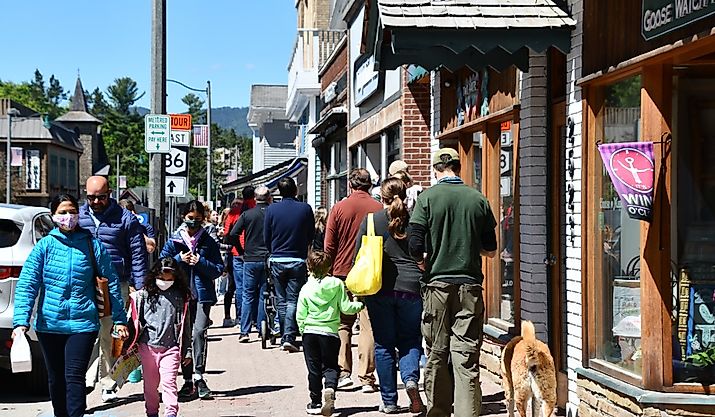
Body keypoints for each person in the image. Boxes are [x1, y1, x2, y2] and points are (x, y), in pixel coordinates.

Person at [13, 194, 128, 417]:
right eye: (63, 212)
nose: (68, 217)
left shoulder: (92, 245)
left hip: (82, 323)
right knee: (55, 377)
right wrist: (21, 322)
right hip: (49, 325)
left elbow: (111, 282)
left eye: (72, 211)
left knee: (74, 376)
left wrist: (120, 319)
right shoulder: (44, 247)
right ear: (53, 216)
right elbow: (27, 284)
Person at [409, 148, 498, 417]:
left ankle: (438, 411)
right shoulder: (477, 199)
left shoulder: (427, 198)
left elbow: (414, 244)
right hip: (470, 285)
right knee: (466, 355)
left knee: (437, 352)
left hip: (437, 284)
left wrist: (423, 260)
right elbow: (491, 248)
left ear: (436, 169)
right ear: (459, 168)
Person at [356, 178, 425, 414]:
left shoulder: (371, 221)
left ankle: (388, 400)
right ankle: (411, 380)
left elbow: (360, 256)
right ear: (404, 195)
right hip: (412, 288)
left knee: (384, 344)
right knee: (410, 340)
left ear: (381, 197)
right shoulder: (415, 220)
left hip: (379, 289)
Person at [79, 176, 148, 402]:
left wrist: (140, 286)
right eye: (91, 197)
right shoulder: (79, 217)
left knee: (110, 333)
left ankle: (108, 381)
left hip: (116, 283)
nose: (95, 202)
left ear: (109, 194)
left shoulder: (126, 219)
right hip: (85, 283)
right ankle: (88, 379)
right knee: (88, 333)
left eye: (100, 197)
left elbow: (138, 255)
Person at [324, 168, 382, 392]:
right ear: (369, 185)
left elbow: (329, 245)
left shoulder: (339, 208)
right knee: (368, 325)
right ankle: (366, 377)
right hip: (371, 274)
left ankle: (343, 372)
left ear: (350, 185)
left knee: (343, 324)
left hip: (342, 272)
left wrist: (328, 271)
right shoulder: (378, 208)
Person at [160, 200, 224, 400]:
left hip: (202, 295)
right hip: (180, 296)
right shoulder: (174, 241)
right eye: (190, 218)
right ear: (183, 217)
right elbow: (162, 264)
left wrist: (201, 262)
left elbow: (218, 269)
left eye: (198, 219)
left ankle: (199, 375)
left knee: (199, 333)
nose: (193, 223)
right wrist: (179, 260)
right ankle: (187, 380)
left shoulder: (208, 241)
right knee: (183, 337)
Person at [297, 250, 363, 416]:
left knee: (313, 369)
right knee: (331, 366)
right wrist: (359, 305)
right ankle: (330, 388)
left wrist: (302, 329)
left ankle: (315, 401)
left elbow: (300, 314)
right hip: (330, 333)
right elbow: (346, 308)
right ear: (329, 266)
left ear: (309, 267)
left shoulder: (306, 287)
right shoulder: (337, 284)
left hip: (310, 333)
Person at [129, 257, 193, 417]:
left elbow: (185, 326)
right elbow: (136, 320)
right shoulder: (144, 294)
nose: (165, 282)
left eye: (169, 279)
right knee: (150, 386)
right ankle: (152, 412)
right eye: (161, 278)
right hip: (147, 348)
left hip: (171, 348)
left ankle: (171, 412)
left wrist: (187, 350)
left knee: (169, 383)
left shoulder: (181, 297)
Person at [264, 177, 315, 352]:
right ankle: (289, 336)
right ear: (295, 190)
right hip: (298, 259)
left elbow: (266, 235)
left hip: (277, 259)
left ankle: (285, 333)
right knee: (293, 299)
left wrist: (273, 250)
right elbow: (311, 234)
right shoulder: (305, 209)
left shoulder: (272, 210)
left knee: (281, 299)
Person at [229, 186, 271, 343]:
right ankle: (262, 327)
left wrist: (241, 250)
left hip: (250, 258)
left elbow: (233, 234)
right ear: (268, 197)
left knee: (247, 294)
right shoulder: (272, 213)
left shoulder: (247, 214)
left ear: (255, 197)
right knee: (263, 294)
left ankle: (244, 331)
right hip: (267, 258)